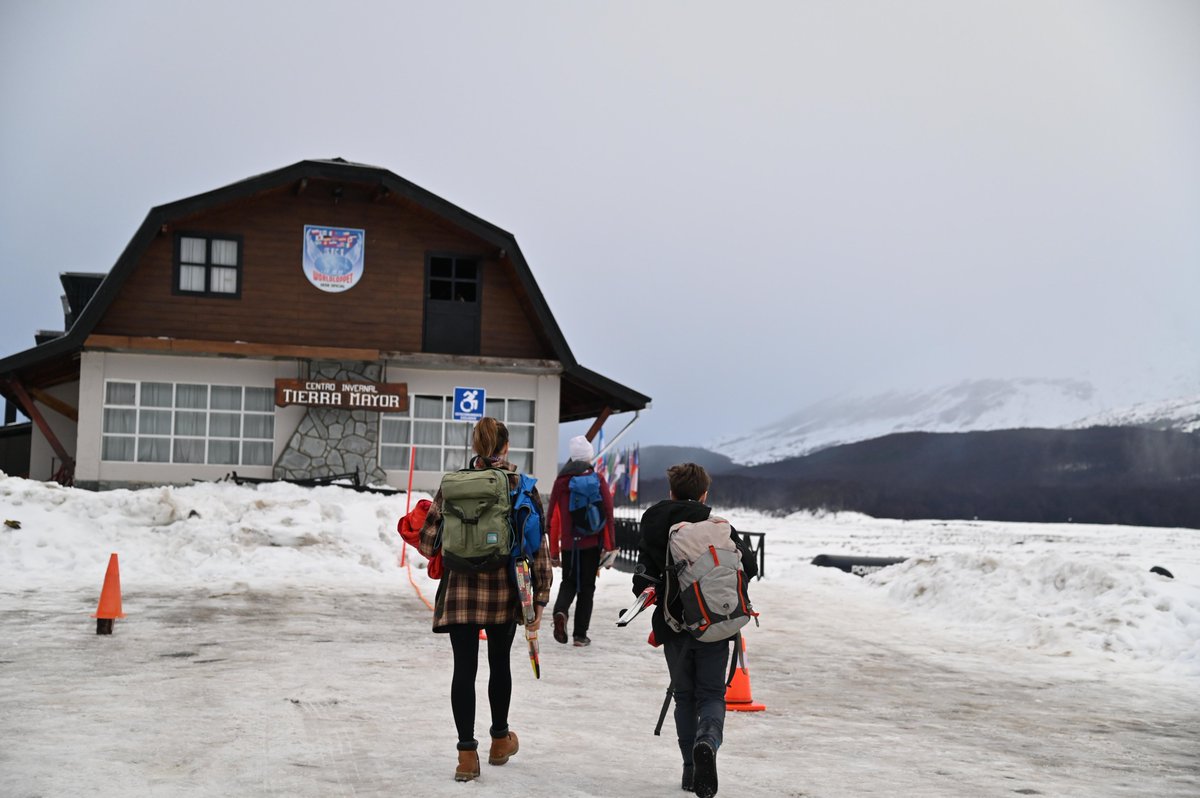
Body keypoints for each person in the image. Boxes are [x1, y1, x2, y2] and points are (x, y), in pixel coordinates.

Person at [418, 417, 554, 783]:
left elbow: (428, 542)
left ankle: (465, 755)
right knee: (499, 664)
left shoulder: (452, 485)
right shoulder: (520, 485)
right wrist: (539, 597)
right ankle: (499, 741)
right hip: (502, 591)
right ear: (506, 447)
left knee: (463, 669)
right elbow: (536, 545)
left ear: (476, 447)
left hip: (460, 590)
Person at [633, 462, 757, 798]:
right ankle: (708, 740)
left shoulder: (656, 521)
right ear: (704, 494)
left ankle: (690, 770)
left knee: (684, 696)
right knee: (712, 695)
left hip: (674, 626)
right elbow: (751, 566)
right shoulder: (717, 526)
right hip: (716, 624)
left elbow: (642, 581)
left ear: (670, 491)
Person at [547, 434, 616, 647]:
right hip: (591, 543)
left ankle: (560, 611)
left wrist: (554, 550)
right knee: (587, 588)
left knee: (568, 582)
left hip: (569, 543)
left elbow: (551, 517)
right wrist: (610, 546)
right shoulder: (597, 479)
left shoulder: (561, 481)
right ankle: (580, 636)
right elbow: (608, 512)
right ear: (588, 457)